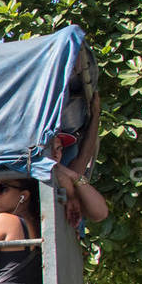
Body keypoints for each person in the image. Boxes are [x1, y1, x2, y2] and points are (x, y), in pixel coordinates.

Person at [52, 92, 109, 225]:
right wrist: (71, 195)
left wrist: (95, 115)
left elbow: (100, 213)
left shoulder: (66, 173)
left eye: (59, 149)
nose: (56, 153)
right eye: (51, 148)